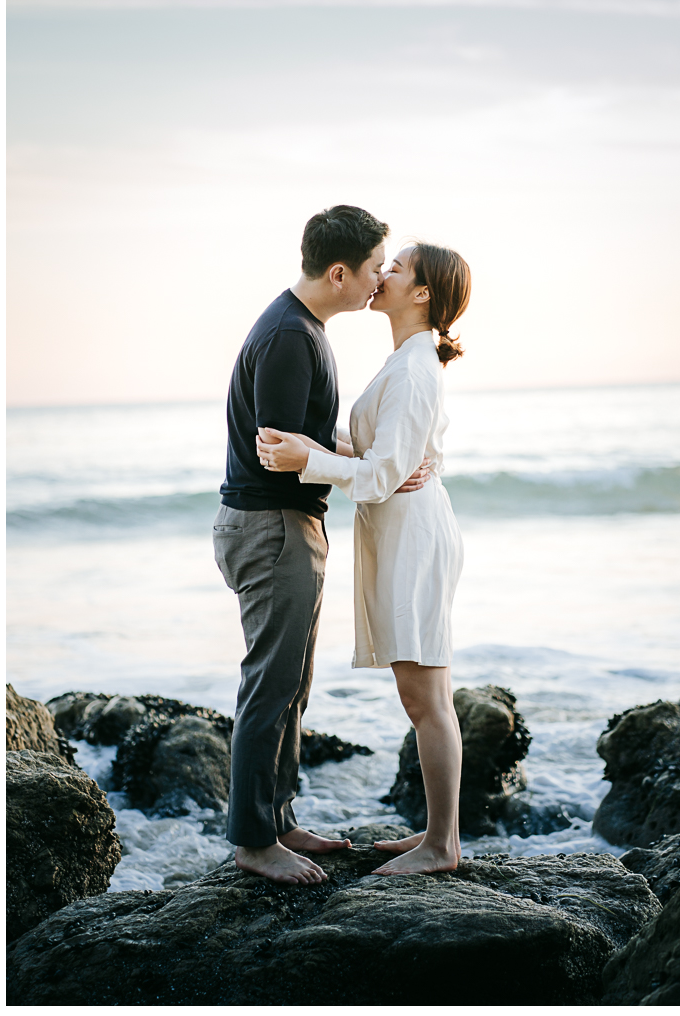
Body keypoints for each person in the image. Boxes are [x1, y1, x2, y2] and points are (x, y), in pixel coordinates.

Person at [214, 206, 430, 886]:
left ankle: (276, 818)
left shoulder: (302, 328)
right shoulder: (289, 336)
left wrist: (378, 462)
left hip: (281, 525)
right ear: (339, 271)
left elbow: (304, 439)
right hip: (272, 527)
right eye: (372, 269)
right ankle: (254, 841)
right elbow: (280, 452)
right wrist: (373, 476)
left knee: (292, 684)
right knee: (271, 686)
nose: (377, 281)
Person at [256, 241, 471, 875]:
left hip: (415, 537)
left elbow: (382, 474)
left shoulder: (413, 368)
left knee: (425, 696)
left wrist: (309, 461)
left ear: (423, 293)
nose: (383, 274)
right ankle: (439, 834)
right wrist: (325, 444)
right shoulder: (407, 361)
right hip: (404, 531)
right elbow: (392, 456)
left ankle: (441, 847)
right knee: (425, 693)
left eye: (396, 268)